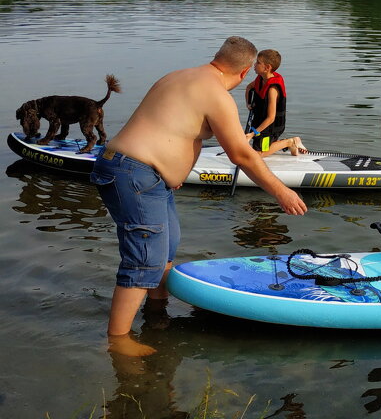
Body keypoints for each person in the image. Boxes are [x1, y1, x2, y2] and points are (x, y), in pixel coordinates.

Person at [90, 36, 307, 357]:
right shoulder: (217, 96)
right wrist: (281, 191)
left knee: (166, 247)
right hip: (135, 173)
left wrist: (173, 169)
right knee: (144, 259)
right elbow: (241, 155)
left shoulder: (178, 76)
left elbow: (170, 127)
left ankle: (156, 314)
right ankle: (118, 343)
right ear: (246, 72)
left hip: (142, 174)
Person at [244, 49, 308, 157]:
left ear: (267, 67)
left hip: (270, 127)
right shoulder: (260, 79)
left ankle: (290, 142)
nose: (254, 65)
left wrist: (252, 134)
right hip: (260, 123)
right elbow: (249, 88)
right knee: (254, 146)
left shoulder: (272, 89)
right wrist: (248, 104)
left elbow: (271, 118)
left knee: (258, 154)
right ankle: (282, 143)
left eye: (258, 62)